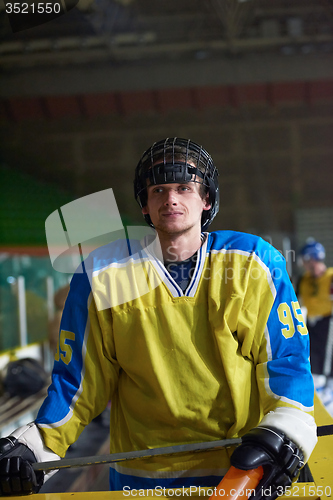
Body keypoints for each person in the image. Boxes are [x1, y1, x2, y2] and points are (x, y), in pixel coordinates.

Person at [0, 138, 317, 497]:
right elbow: (79, 383)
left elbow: (287, 363)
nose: (171, 199)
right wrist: (36, 444)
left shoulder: (254, 262)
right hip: (142, 480)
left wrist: (287, 429)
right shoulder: (100, 274)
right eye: (159, 190)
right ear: (146, 206)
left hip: (240, 472)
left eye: (184, 188)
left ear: (206, 200)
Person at [297, 239, 333, 414]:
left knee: (328, 356)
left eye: (306, 260)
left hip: (328, 321)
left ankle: (329, 388)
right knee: (313, 356)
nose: (304, 264)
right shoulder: (304, 279)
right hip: (311, 322)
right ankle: (319, 388)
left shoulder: (330, 276)